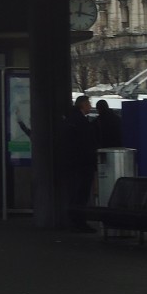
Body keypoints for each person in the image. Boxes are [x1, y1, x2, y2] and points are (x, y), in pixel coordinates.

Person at [63, 95, 100, 232]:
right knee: (81, 194)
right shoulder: (81, 122)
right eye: (88, 104)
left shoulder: (70, 120)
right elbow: (86, 144)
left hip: (73, 163)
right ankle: (79, 222)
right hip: (82, 164)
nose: (90, 106)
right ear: (83, 105)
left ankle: (75, 221)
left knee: (75, 193)